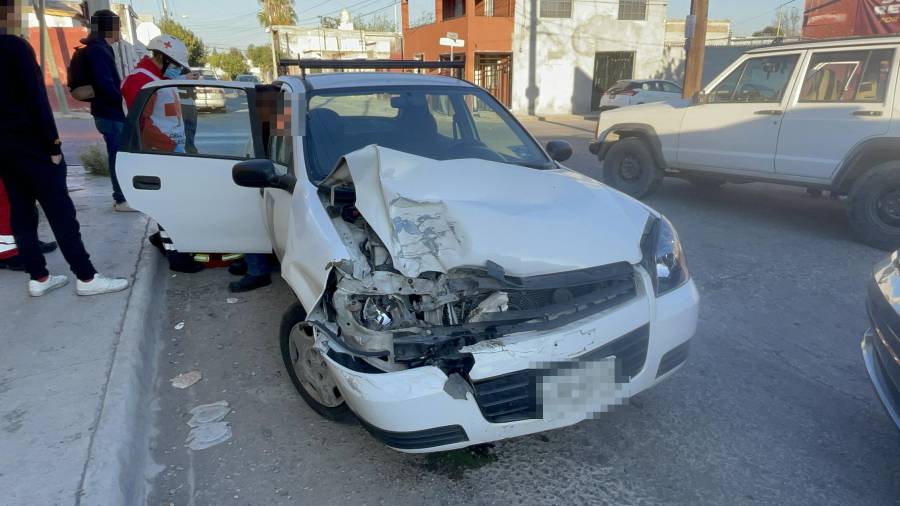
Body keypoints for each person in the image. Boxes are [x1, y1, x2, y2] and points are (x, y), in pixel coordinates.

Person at [0, 1, 129, 296]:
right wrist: (52, 144)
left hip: (4, 149)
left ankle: (39, 278)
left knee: (21, 212)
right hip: (32, 145)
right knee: (60, 212)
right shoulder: (15, 48)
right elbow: (37, 100)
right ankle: (86, 278)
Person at [121, 34, 203, 273]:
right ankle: (177, 256)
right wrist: (169, 147)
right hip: (160, 154)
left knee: (174, 201)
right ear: (162, 58)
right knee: (171, 205)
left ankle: (161, 238)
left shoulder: (157, 79)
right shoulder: (142, 81)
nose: (177, 70)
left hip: (170, 152)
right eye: (176, 65)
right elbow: (141, 124)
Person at [80, 9, 133, 212]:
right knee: (117, 156)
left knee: (117, 155)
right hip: (109, 113)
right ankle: (121, 199)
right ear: (109, 28)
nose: (120, 31)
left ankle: (121, 197)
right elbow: (104, 83)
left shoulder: (101, 48)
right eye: (118, 26)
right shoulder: (98, 50)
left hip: (108, 112)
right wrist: (121, 100)